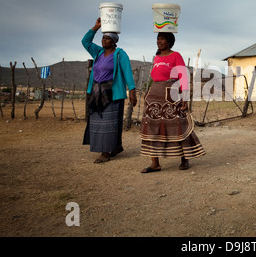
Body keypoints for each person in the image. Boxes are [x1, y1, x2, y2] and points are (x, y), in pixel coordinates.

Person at [140, 32, 205, 173]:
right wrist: (149, 92)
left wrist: (185, 96)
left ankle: (185, 159)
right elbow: (154, 77)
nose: (159, 41)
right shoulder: (156, 57)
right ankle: (155, 163)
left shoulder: (176, 56)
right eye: (158, 39)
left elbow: (183, 76)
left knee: (177, 125)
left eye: (162, 39)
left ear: (169, 41)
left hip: (171, 95)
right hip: (154, 96)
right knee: (152, 126)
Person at [82, 18, 137, 163]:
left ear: (114, 41)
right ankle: (116, 146)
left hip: (112, 93)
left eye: (107, 38)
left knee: (110, 123)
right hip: (97, 92)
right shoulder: (98, 52)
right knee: (97, 121)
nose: (104, 40)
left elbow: (127, 72)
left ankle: (105, 153)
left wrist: (132, 90)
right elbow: (85, 42)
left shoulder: (120, 54)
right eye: (103, 38)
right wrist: (96, 27)